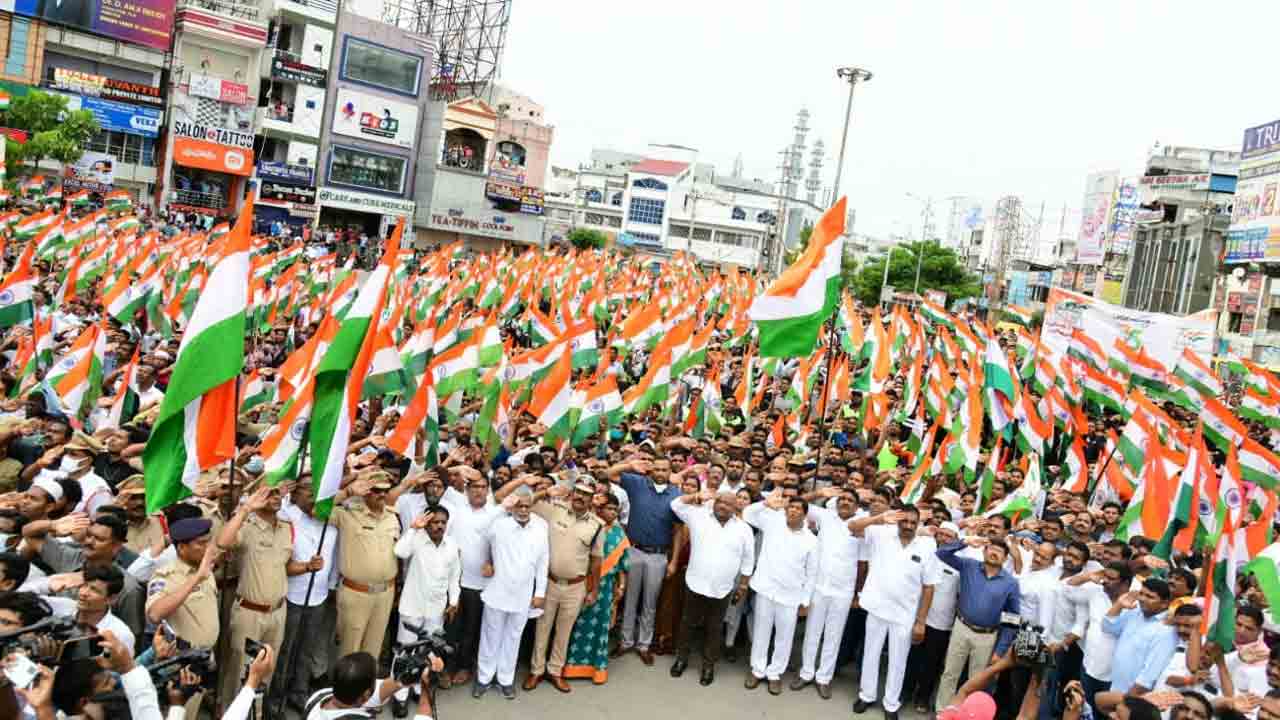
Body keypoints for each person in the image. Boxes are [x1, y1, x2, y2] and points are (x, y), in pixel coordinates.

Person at [851, 505, 938, 720]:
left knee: (898, 661)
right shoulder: (882, 533)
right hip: (877, 608)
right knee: (870, 654)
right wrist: (879, 518)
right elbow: (852, 527)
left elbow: (929, 587)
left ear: (918, 524)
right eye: (904, 521)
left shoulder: (927, 546)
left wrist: (921, 622)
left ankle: (891, 704)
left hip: (904, 614)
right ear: (897, 521)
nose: (908, 525)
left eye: (912, 522)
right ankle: (867, 695)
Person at [215, 485, 295, 709]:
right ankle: (231, 711)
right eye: (269, 493)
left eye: (278, 493)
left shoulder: (287, 527)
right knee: (240, 671)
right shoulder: (247, 526)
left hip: (278, 611)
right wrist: (245, 509)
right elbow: (222, 542)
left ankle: (255, 713)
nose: (275, 497)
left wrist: (308, 566)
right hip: (250, 612)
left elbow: (284, 565)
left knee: (266, 670)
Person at [524, 481, 604, 694]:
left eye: (586, 494)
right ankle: (536, 670)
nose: (580, 497)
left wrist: (594, 589)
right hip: (549, 582)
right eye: (578, 491)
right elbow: (527, 502)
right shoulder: (555, 510)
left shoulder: (597, 525)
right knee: (542, 628)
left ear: (591, 499)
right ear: (572, 492)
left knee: (564, 631)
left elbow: (597, 560)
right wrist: (546, 491)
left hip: (575, 586)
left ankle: (555, 671)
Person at [668, 488, 754, 687]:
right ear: (714, 502)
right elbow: (675, 505)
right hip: (695, 582)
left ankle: (708, 666)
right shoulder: (698, 516)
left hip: (723, 588)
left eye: (728, 504)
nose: (723, 506)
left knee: (714, 628)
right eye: (720, 501)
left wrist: (743, 585)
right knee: (688, 623)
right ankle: (681, 659)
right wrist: (696, 496)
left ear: (735, 507)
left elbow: (748, 560)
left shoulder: (744, 529)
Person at [932, 526, 1022, 711]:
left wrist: (1000, 650)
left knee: (977, 680)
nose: (994, 553)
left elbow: (1012, 619)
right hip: (961, 627)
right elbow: (941, 553)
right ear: (984, 551)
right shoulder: (969, 566)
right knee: (950, 673)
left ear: (1005, 558)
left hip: (987, 637)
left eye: (999, 551)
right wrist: (964, 542)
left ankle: (969, 714)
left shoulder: (1011, 583)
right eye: (991, 549)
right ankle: (943, 712)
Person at [271, 479, 339, 715]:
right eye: (308, 492)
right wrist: (284, 492)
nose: (313, 498)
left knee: (306, 649)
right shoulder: (291, 519)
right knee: (285, 650)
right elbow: (279, 507)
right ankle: (276, 696)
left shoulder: (331, 529)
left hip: (318, 597)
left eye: (317, 493)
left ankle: (299, 692)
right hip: (292, 595)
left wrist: (331, 587)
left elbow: (334, 563)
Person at [741, 491, 817, 695]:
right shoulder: (773, 522)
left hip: (791, 596)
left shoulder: (811, 540)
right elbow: (747, 513)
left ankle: (774, 673)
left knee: (784, 637)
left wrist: (805, 600)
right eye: (790, 507)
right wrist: (765, 503)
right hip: (766, 589)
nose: (793, 510)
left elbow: (812, 573)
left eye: (798, 508)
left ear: (804, 515)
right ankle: (757, 670)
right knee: (761, 632)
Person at [475, 491, 548, 699]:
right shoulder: (500, 525)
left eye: (527, 506)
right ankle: (484, 678)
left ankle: (505, 679)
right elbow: (479, 529)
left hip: (523, 595)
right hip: (498, 591)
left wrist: (540, 592)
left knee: (513, 638)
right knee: (491, 636)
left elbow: (543, 562)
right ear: (513, 507)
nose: (523, 510)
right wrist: (502, 507)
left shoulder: (540, 528)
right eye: (519, 506)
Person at [608, 455, 681, 665]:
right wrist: (629, 465)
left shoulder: (676, 494)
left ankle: (643, 645)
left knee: (650, 602)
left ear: (670, 472)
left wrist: (674, 561)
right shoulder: (637, 483)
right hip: (634, 551)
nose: (660, 473)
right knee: (629, 599)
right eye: (656, 469)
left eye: (664, 469)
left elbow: (678, 531)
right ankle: (625, 641)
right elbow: (608, 473)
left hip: (659, 555)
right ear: (651, 470)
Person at [793, 486, 864, 699]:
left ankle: (824, 678)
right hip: (819, 586)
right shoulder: (826, 516)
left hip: (843, 590)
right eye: (842, 498)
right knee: (812, 631)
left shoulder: (861, 525)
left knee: (833, 635)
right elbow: (797, 502)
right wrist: (819, 493)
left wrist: (857, 593)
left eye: (850, 500)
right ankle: (806, 673)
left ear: (856, 506)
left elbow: (862, 564)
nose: (845, 502)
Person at [145, 517, 219, 719]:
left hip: (203, 658)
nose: (207, 548)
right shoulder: (165, 576)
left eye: (208, 541)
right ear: (182, 548)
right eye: (200, 543)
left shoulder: (206, 569)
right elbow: (154, 614)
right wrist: (196, 579)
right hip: (180, 664)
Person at [390, 505, 460, 714]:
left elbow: (455, 575)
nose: (439, 526)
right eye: (435, 522)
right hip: (412, 605)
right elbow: (399, 551)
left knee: (428, 651)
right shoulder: (417, 539)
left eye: (443, 522)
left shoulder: (451, 544)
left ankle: (418, 687)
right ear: (427, 524)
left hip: (436, 608)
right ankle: (399, 694)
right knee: (405, 651)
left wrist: (453, 600)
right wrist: (413, 529)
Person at [330, 472, 400, 658]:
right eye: (376, 490)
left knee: (372, 652)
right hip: (356, 593)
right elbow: (316, 510)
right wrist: (347, 492)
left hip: (385, 593)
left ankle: (368, 679)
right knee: (349, 651)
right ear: (365, 492)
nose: (382, 495)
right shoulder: (347, 514)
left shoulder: (393, 517)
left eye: (385, 490)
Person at [564, 492, 630, 684]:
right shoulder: (591, 526)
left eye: (616, 510)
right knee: (578, 623)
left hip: (606, 587)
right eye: (609, 508)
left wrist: (622, 586)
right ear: (600, 509)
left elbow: (623, 565)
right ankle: (572, 665)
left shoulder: (619, 533)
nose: (613, 513)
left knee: (601, 627)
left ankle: (597, 668)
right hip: (584, 582)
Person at [305, 651, 442, 720]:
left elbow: (375, 694)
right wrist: (427, 690)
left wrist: (404, 679)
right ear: (365, 694)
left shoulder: (319, 696)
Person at [1102, 577, 1179, 697]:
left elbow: (1149, 676)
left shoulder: (1166, 630)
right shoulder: (1135, 612)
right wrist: (1119, 605)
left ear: (1164, 603)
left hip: (1132, 697)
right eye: (1141, 594)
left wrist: (1126, 702)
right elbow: (1108, 627)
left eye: (1150, 597)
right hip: (1115, 687)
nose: (1142, 599)